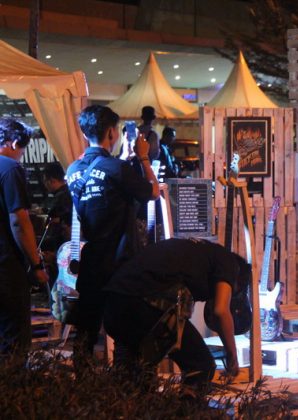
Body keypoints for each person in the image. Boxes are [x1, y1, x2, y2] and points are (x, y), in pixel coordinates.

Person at [66, 105, 159, 360]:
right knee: (125, 331)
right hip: (120, 263)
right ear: (111, 133)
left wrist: (125, 159)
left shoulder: (73, 170)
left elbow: (106, 182)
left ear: (85, 133)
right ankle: (123, 380)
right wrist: (143, 158)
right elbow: (152, 192)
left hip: (91, 261)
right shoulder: (117, 168)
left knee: (86, 331)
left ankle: (83, 378)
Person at [103, 238, 240, 390]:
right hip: (142, 302)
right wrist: (232, 356)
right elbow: (220, 311)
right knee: (201, 366)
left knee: (135, 375)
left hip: (113, 302)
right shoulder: (229, 263)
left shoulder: (200, 254)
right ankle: (186, 405)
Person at [0, 117, 48, 358]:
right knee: (14, 340)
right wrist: (36, 265)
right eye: (23, 149)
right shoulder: (10, 168)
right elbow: (19, 220)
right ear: (14, 143)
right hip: (6, 266)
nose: (21, 156)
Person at [40, 162, 72, 258]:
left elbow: (54, 217)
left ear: (51, 180)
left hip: (63, 247)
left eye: (45, 181)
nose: (45, 185)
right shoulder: (69, 191)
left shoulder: (61, 197)